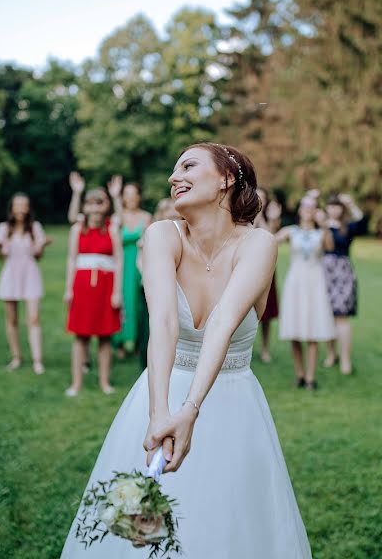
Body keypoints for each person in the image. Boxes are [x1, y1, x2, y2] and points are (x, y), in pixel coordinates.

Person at [60, 143, 312, 558]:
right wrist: (159, 411)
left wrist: (190, 410)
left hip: (232, 403)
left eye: (188, 166)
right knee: (138, 536)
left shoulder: (259, 244)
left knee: (226, 526)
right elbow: (162, 322)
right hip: (160, 387)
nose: (174, 177)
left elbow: (224, 322)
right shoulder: (162, 235)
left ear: (226, 180)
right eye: (174, 169)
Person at [64, 187, 123, 396]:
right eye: (90, 204)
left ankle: (104, 382)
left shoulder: (112, 229)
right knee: (80, 337)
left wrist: (117, 292)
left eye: (99, 203)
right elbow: (71, 259)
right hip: (82, 287)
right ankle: (76, 383)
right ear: (85, 207)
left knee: (105, 337)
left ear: (105, 207)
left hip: (105, 287)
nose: (94, 208)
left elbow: (118, 260)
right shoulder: (77, 229)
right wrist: (68, 289)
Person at [275, 195, 335, 390]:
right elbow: (269, 241)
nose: (308, 209)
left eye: (313, 207)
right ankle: (299, 374)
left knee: (312, 331)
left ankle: (310, 377)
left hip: (315, 283)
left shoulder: (322, 233)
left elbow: (330, 247)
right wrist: (273, 219)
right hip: (296, 282)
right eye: (305, 206)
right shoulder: (290, 232)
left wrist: (324, 224)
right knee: (295, 330)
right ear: (299, 209)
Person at [0, 193, 52, 374]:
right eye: (17, 205)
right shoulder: (3, 228)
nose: (20, 209)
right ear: (12, 208)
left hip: (30, 274)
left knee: (33, 318)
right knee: (12, 319)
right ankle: (16, 357)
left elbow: (38, 257)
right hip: (10, 275)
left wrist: (41, 246)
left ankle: (37, 360)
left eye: (24, 205)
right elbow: (1, 257)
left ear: (28, 208)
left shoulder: (35, 227)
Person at [322, 193, 365, 374]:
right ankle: (331, 354)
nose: (334, 209)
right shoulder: (321, 225)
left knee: (342, 316)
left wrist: (351, 202)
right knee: (326, 315)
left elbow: (362, 222)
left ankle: (345, 359)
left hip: (343, 273)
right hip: (323, 272)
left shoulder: (347, 227)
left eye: (337, 206)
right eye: (331, 206)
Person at [115, 182, 152, 359]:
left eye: (133, 194)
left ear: (139, 197)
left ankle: (137, 342)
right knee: (121, 303)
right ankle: (119, 342)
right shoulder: (118, 218)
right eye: (126, 194)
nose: (130, 198)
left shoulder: (146, 217)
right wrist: (114, 197)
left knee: (137, 303)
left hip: (138, 264)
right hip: (121, 265)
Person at [254, 187, 282, 363]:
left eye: (263, 198)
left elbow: (269, 237)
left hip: (266, 268)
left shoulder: (271, 221)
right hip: (246, 267)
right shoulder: (243, 216)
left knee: (267, 313)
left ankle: (264, 348)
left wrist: (264, 218)